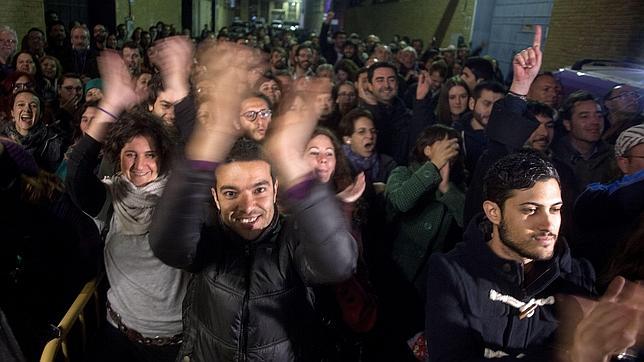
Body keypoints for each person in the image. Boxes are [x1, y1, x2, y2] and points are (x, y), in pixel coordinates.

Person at [149, 42, 357, 360]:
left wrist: (290, 159)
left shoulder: (293, 238)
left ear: (275, 188)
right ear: (215, 198)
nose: (248, 206)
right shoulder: (210, 237)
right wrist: (210, 139)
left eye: (259, 190)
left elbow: (339, 262)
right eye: (232, 193)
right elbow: (168, 245)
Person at [66, 50, 187, 361]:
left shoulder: (179, 195)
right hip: (118, 336)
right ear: (117, 158)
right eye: (130, 154)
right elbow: (77, 175)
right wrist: (112, 104)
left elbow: (199, 155)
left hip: (174, 345)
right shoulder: (112, 196)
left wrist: (179, 89)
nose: (140, 165)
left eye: (150, 155)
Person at [426, 150, 596, 361]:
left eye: (555, 209)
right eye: (531, 210)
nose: (548, 224)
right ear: (493, 212)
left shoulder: (578, 276)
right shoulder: (453, 272)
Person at [551, 90, 619, 192]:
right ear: (567, 124)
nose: (595, 122)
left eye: (599, 116)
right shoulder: (553, 155)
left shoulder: (614, 156)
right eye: (584, 116)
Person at [0, 88, 67, 172]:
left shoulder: (55, 143)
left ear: (41, 114)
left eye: (33, 105)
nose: (27, 110)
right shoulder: (2, 139)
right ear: (12, 112)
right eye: (21, 104)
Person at [453, 80, 505, 177]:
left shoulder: (506, 139)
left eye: (498, 106)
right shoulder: (455, 135)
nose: (492, 111)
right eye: (486, 103)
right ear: (472, 103)